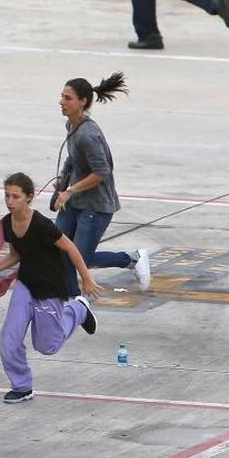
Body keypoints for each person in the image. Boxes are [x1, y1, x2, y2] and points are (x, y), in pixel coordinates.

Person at [0, 173, 101, 405]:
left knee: (47, 345)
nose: (9, 201)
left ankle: (78, 310)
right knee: (10, 338)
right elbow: (16, 254)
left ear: (29, 197)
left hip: (49, 288)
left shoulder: (41, 224)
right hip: (26, 285)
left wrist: (86, 278)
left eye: (15, 196)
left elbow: (70, 248)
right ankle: (22, 386)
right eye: (6, 196)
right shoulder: (6, 223)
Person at [49, 72, 151, 297]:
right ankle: (73, 300)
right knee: (59, 249)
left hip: (96, 206)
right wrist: (64, 176)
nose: (61, 102)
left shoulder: (88, 134)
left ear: (82, 102)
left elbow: (102, 172)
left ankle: (132, 258)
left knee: (80, 258)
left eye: (67, 98)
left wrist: (70, 191)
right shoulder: (71, 126)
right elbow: (74, 158)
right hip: (75, 201)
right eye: (62, 97)